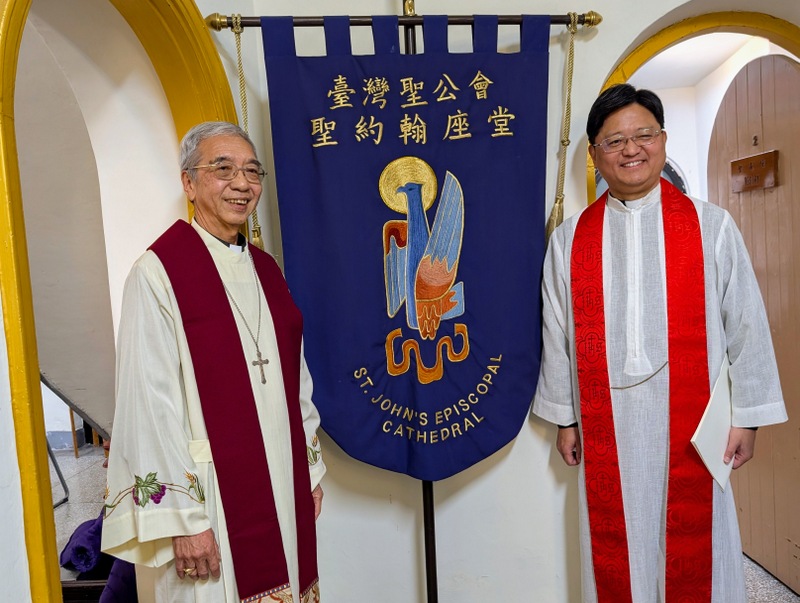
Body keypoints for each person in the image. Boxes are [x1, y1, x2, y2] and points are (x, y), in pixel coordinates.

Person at [533, 84, 787, 603]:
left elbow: (746, 324)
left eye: (644, 135)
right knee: (617, 551)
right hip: (606, 426)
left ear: (663, 141)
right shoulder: (570, 239)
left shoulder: (710, 226)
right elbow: (557, 333)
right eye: (614, 141)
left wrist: (748, 418)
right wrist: (566, 418)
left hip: (694, 426)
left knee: (698, 550)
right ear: (594, 153)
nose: (631, 149)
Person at [102, 121, 326, 603]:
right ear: (188, 182)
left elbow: (296, 381)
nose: (242, 184)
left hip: (282, 481)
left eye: (252, 171)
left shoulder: (267, 270)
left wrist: (306, 474)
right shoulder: (157, 273)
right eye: (223, 169)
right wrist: (183, 520)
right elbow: (148, 404)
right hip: (207, 497)